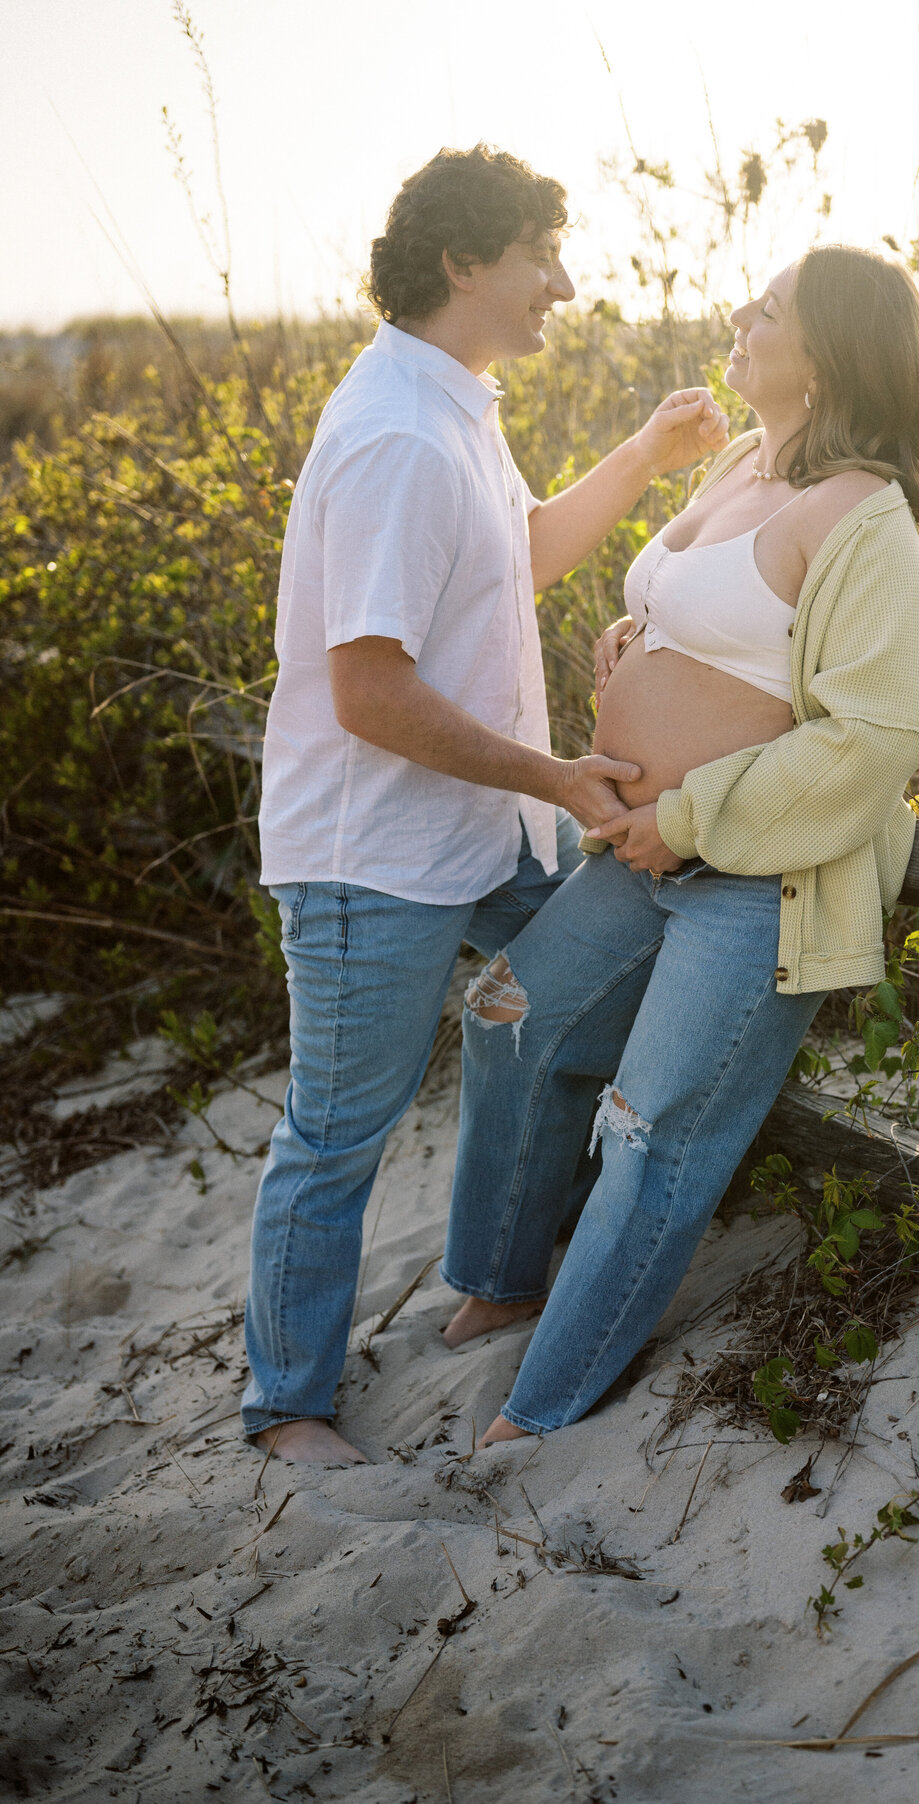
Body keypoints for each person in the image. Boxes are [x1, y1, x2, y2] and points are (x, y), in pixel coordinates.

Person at [245, 144, 728, 1465]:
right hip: (376, 858)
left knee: (555, 1001)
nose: (562, 285)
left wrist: (644, 452)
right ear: (466, 261)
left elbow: (515, 559)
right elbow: (368, 694)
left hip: (481, 834)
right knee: (338, 1136)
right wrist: (558, 776)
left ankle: (500, 1273)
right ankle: (287, 1406)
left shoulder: (452, 397)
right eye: (540, 256)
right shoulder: (396, 435)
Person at [440, 243, 919, 1444]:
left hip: (751, 882)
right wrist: (637, 633)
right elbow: (707, 611)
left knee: (652, 1130)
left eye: (765, 309)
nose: (738, 315)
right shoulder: (738, 462)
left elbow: (884, 727)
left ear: (824, 353)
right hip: (636, 857)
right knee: (510, 1015)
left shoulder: (867, 519)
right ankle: (506, 1274)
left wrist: (682, 815)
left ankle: (544, 1401)